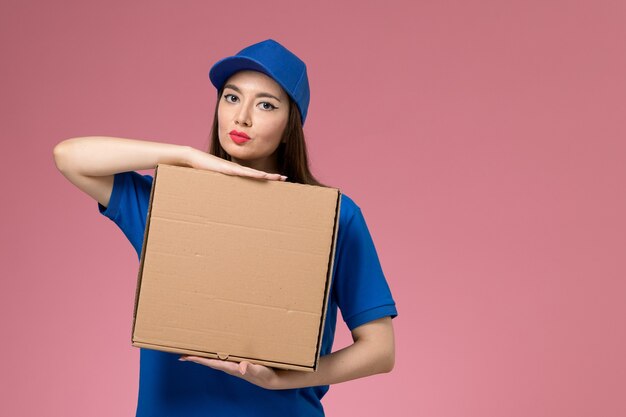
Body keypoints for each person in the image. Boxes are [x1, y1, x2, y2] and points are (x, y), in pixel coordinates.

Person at [53, 38, 398, 417]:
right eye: (232, 98)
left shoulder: (333, 217)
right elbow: (69, 157)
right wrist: (183, 156)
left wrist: (282, 379)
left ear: (289, 128)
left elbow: (379, 349)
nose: (242, 117)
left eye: (265, 104)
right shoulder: (168, 203)